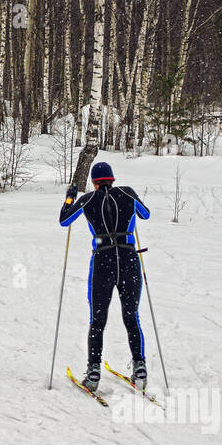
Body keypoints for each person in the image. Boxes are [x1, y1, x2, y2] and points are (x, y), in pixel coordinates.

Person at [59, 161, 151, 392]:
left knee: (97, 320)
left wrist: (70, 198)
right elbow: (146, 214)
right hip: (129, 261)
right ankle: (140, 369)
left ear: (93, 181)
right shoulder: (127, 193)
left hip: (103, 262)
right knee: (132, 317)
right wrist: (133, 199)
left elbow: (64, 220)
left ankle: (93, 373)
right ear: (112, 178)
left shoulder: (88, 199)